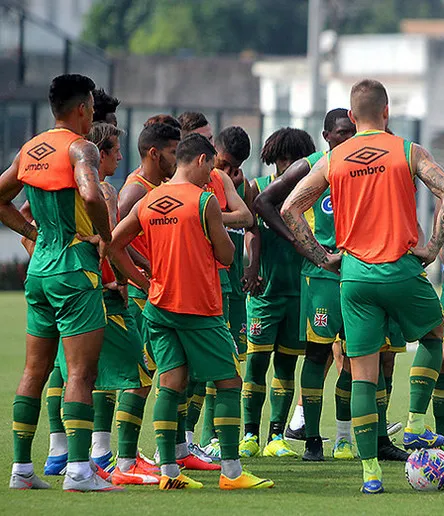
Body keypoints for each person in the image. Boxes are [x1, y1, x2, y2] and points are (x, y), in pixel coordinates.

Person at [280, 79, 444, 494]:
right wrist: (432, 247)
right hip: (400, 270)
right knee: (437, 335)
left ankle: (370, 474)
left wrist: (322, 256)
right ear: (386, 111)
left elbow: (291, 207)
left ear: (351, 114)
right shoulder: (407, 150)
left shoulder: (333, 157)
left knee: (361, 373)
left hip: (354, 276)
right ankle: (416, 421)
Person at [109, 133, 273, 490]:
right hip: (200, 308)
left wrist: (142, 279)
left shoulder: (150, 199)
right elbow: (227, 256)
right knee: (230, 383)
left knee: (169, 383)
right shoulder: (204, 201)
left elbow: (114, 244)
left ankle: (168, 472)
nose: (211, 175)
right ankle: (231, 472)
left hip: (159, 307)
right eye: (210, 167)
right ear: (200, 161)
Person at [254, 109, 408, 462]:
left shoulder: (368, 166)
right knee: (318, 354)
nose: (347, 137)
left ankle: (352, 439)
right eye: (340, 133)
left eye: (352, 131)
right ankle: (311, 441)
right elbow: (264, 202)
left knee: (367, 357)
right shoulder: (313, 165)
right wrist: (303, 244)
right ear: (326, 136)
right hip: (322, 276)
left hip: (365, 271)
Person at [2, 74, 116, 491]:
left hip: (40, 269)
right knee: (81, 374)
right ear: (83, 108)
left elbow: (1, 196)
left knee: (34, 370)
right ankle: (79, 472)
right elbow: (89, 195)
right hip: (73, 268)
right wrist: (104, 237)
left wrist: (32, 235)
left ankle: (21, 471)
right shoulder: (80, 147)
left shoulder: (31, 148)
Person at [64, 122, 158, 485]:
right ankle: (125, 461)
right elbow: (108, 243)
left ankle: (86, 457)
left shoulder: (74, 188)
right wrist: (127, 279)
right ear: (99, 153)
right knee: (141, 373)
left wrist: (139, 264)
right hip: (105, 295)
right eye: (115, 150)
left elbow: (111, 240)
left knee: (81, 375)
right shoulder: (103, 190)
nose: (120, 157)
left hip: (69, 284)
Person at [240, 128, 315, 459]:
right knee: (256, 362)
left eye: (293, 158)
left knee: (286, 365)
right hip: (265, 291)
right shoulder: (257, 187)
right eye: (281, 157)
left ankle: (275, 437)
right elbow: (251, 230)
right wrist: (253, 265)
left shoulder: (309, 191)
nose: (286, 164)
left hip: (300, 292)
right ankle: (249, 434)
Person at [185, 129, 253, 456]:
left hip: (220, 281)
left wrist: (212, 218)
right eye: (219, 161)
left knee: (219, 365)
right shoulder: (170, 185)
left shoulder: (221, 181)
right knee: (177, 370)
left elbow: (246, 216)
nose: (223, 169)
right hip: (183, 282)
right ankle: (175, 446)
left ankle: (198, 443)